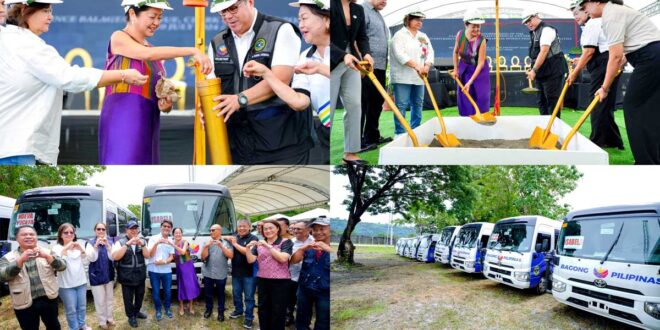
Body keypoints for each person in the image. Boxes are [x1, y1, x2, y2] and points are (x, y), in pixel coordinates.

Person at [0, 0, 147, 165]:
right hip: (17, 150)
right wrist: (122, 75)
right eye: (45, 11)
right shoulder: (28, 46)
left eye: (51, 11)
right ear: (25, 10)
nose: (51, 17)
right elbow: (69, 77)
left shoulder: (8, 39)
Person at [99, 0, 212, 165]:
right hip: (123, 116)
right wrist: (193, 51)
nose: (156, 23)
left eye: (160, 17)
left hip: (149, 119)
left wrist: (166, 104)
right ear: (132, 14)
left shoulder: (154, 53)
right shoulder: (119, 37)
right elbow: (146, 54)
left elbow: (160, 99)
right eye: (152, 17)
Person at [207, 0, 313, 165]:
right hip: (237, 143)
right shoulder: (217, 42)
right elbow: (213, 88)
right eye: (222, 12)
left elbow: (281, 79)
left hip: (282, 142)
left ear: (249, 2)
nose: (228, 16)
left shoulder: (280, 29)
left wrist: (240, 99)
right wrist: (206, 108)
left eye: (233, 8)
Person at [241, 0, 331, 164]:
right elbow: (299, 102)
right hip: (327, 133)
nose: (301, 25)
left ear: (327, 20)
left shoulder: (346, 49)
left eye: (305, 18)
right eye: (299, 19)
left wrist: (321, 69)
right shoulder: (304, 58)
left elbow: (356, 78)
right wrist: (267, 74)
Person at [582, 0, 660, 164]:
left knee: (634, 108)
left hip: (650, 58)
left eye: (585, 5)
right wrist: (623, 61)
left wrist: (604, 87)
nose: (584, 9)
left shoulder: (611, 15)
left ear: (596, 2)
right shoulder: (617, 11)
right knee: (651, 110)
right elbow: (627, 51)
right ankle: (653, 159)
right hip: (651, 56)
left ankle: (646, 162)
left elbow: (615, 56)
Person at [566, 1, 624, 150]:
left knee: (598, 103)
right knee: (605, 104)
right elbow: (592, 52)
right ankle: (613, 140)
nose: (575, 18)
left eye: (577, 13)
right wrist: (582, 61)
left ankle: (597, 141)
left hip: (604, 66)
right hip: (606, 63)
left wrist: (575, 73)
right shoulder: (596, 23)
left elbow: (589, 52)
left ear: (586, 11)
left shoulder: (593, 23)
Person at [330, 0, 372, 164]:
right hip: (331, 61)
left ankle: (351, 153)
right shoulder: (330, 4)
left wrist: (366, 54)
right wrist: (341, 55)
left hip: (353, 62)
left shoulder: (358, 9)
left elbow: (362, 37)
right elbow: (320, 35)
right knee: (329, 108)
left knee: (355, 104)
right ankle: (320, 152)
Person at [0, 226, 66, 330]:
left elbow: (63, 266)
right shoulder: (8, 258)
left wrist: (48, 257)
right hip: (24, 302)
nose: (28, 236)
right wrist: (20, 261)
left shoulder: (47, 251)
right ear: (17, 238)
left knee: (54, 326)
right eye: (24, 234)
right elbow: (2, 277)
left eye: (31, 234)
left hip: (48, 298)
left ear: (36, 237)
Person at [389, 9, 434, 136]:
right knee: (401, 105)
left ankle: (416, 129)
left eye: (421, 20)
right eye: (417, 19)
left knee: (417, 104)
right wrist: (416, 66)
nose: (420, 22)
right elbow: (400, 55)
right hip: (402, 77)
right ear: (408, 20)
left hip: (419, 77)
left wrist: (427, 65)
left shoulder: (423, 36)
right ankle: (400, 133)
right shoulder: (399, 36)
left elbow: (430, 52)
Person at [246, 219, 293, 330]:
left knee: (278, 310)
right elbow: (251, 260)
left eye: (271, 228)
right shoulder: (259, 244)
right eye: (265, 229)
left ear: (277, 229)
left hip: (280, 281)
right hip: (262, 280)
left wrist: (268, 246)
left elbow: (283, 258)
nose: (268, 230)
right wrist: (248, 248)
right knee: (263, 308)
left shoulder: (286, 242)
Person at [522, 10, 569, 117]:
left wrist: (534, 70)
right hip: (541, 72)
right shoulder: (535, 32)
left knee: (552, 101)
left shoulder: (547, 30)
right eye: (526, 22)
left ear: (537, 16)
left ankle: (554, 129)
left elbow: (544, 51)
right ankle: (545, 127)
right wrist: (533, 68)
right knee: (541, 101)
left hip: (553, 71)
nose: (528, 24)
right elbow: (536, 54)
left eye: (529, 20)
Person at [359, 0, 391, 152]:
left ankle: (372, 136)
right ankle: (357, 141)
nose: (385, 1)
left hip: (379, 66)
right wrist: (361, 64)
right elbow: (357, 38)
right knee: (363, 104)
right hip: (365, 67)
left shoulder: (377, 14)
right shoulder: (362, 10)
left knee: (376, 103)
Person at [291, 217, 330, 330]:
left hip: (325, 291)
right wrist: (302, 249)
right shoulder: (310, 245)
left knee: (323, 321)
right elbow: (293, 261)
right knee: (301, 319)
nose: (318, 232)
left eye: (322, 229)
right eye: (315, 229)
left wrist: (327, 248)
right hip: (305, 288)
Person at [452, 9, 492, 118]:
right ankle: (466, 121)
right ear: (466, 24)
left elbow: (480, 63)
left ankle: (482, 118)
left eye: (478, 26)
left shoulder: (482, 40)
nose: (476, 29)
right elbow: (455, 52)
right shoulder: (460, 35)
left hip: (480, 71)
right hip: (464, 68)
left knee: (481, 97)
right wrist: (455, 69)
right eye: (473, 26)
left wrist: (470, 81)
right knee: (465, 96)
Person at [52, 224, 91, 330]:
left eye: (71, 232)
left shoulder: (79, 246)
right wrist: (66, 248)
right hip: (66, 285)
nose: (69, 234)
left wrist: (81, 250)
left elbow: (86, 262)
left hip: (81, 282)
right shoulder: (56, 248)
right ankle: (74, 328)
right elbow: (59, 264)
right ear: (60, 235)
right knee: (71, 310)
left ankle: (82, 325)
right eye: (66, 232)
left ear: (74, 234)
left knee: (82, 307)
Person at [111, 220, 149, 328]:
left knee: (140, 296)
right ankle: (131, 316)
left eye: (135, 228)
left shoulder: (142, 241)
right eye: (131, 228)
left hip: (140, 275)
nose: (134, 230)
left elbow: (148, 255)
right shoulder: (120, 242)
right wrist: (127, 244)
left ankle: (137, 312)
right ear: (126, 230)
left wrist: (143, 245)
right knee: (128, 299)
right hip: (126, 276)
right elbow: (115, 256)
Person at [224, 219, 259, 329]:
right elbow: (226, 237)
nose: (242, 228)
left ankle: (249, 318)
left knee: (249, 297)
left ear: (249, 227)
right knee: (236, 294)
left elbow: (247, 252)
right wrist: (227, 238)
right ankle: (238, 310)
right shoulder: (236, 236)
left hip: (249, 273)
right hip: (236, 272)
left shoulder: (253, 239)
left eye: (244, 226)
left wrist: (234, 243)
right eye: (240, 226)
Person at [85, 223, 116, 330]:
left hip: (108, 275)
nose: (101, 231)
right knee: (100, 300)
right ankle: (102, 321)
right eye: (99, 229)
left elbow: (113, 258)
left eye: (103, 229)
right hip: (96, 275)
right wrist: (96, 246)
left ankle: (110, 318)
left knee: (109, 299)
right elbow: (91, 258)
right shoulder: (90, 243)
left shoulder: (110, 241)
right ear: (95, 230)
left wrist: (108, 246)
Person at [201, 224, 234, 322]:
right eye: (210, 230)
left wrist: (221, 246)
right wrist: (206, 246)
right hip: (208, 272)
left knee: (220, 294)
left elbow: (231, 255)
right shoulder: (207, 242)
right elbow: (203, 257)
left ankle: (220, 312)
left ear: (220, 231)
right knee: (208, 294)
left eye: (213, 230)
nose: (211, 232)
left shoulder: (226, 243)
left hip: (221, 272)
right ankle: (208, 309)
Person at [286, 220, 314, 326]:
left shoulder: (314, 241)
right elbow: (288, 259)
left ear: (308, 230)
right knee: (290, 299)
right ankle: (289, 317)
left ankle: (304, 323)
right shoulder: (291, 242)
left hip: (308, 277)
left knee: (304, 302)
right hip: (292, 275)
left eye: (299, 229)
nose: (295, 231)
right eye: (294, 228)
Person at [146, 219, 175, 320]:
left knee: (167, 291)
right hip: (154, 270)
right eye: (165, 226)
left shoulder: (171, 241)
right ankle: (158, 310)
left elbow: (171, 257)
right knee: (156, 292)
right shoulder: (153, 238)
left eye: (168, 227)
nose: (166, 228)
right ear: (161, 227)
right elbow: (150, 254)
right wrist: (157, 243)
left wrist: (163, 262)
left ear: (171, 229)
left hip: (166, 271)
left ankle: (167, 309)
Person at [171, 227, 201, 316]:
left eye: (179, 232)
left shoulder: (185, 242)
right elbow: (173, 256)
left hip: (188, 267)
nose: (178, 234)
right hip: (179, 267)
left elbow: (183, 252)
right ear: (173, 234)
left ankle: (191, 306)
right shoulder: (171, 244)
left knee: (190, 286)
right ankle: (181, 306)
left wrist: (173, 246)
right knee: (181, 286)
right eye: (176, 233)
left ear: (182, 234)